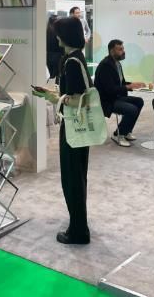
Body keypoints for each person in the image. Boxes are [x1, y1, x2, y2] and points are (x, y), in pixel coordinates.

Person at [33, 17, 92, 244]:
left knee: (72, 178)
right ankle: (79, 223)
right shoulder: (75, 58)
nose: (55, 37)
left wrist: (53, 98)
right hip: (77, 127)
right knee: (76, 176)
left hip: (74, 126)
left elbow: (80, 100)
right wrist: (53, 95)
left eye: (58, 33)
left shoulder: (72, 62)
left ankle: (78, 231)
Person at [94, 39, 145, 147]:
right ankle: (119, 134)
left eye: (123, 49)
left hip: (116, 97)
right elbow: (110, 89)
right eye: (120, 49)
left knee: (139, 101)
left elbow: (121, 83)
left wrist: (133, 84)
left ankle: (126, 131)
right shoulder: (105, 65)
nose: (123, 51)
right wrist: (128, 87)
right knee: (132, 109)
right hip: (107, 100)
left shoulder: (117, 64)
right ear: (112, 51)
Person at [46, 15, 63, 81]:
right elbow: (61, 45)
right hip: (58, 56)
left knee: (51, 75)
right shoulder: (58, 31)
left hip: (48, 56)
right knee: (56, 76)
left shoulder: (47, 31)